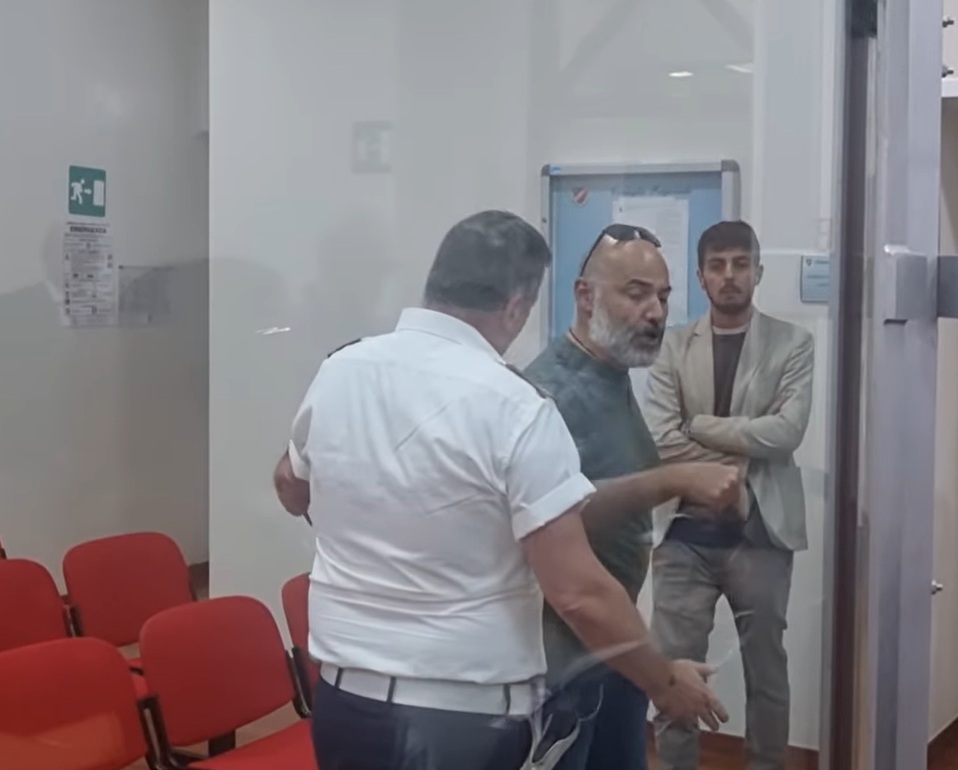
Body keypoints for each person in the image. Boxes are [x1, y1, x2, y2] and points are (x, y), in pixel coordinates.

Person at [271, 210, 727, 770]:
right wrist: (665, 682)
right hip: (459, 719)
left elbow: (290, 484)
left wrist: (370, 515)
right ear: (516, 306)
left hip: (345, 702)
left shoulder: (342, 369)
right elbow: (578, 593)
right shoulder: (514, 405)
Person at [525, 224, 743, 770]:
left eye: (663, 297)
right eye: (637, 293)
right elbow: (553, 515)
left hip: (612, 649)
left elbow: (605, 477)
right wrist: (673, 481)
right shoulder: (545, 395)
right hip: (562, 664)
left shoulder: (611, 374)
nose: (655, 312)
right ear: (585, 296)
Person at [643, 220, 814, 770]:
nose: (729, 275)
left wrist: (700, 426)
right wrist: (740, 450)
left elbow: (787, 433)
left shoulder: (793, 343)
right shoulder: (672, 346)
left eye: (741, 264)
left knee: (767, 674)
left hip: (759, 531)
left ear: (758, 272)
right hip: (682, 535)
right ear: (700, 277)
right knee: (673, 673)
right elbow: (660, 440)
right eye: (717, 266)